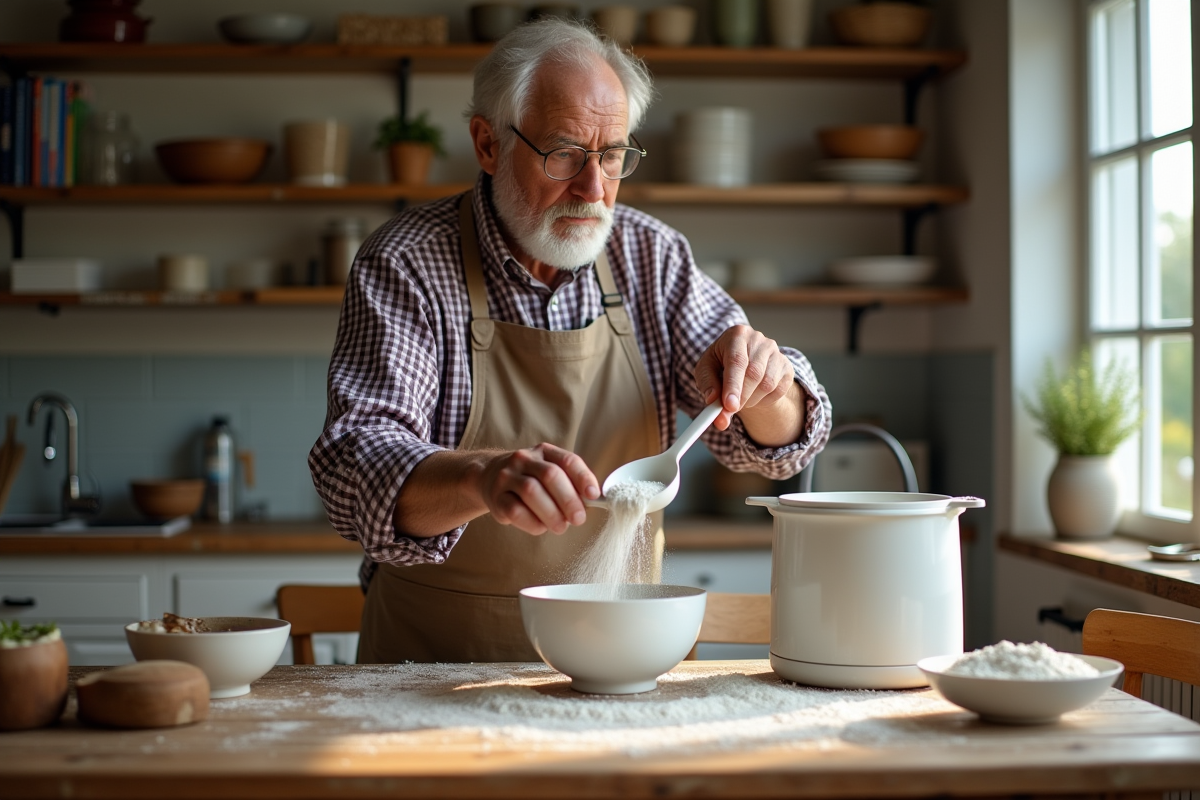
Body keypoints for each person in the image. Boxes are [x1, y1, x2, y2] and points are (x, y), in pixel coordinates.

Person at [308, 18, 832, 664]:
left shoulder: (651, 257)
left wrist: (767, 384)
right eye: (564, 154)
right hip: (428, 675)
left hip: (622, 666)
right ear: (487, 144)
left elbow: (779, 446)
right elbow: (354, 467)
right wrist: (481, 477)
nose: (594, 188)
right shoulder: (409, 263)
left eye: (612, 155)